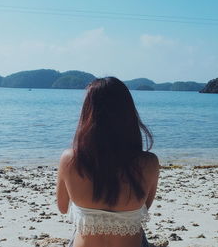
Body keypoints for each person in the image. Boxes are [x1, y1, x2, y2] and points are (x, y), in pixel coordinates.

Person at [56, 77, 159, 247]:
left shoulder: (71, 159)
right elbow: (145, 206)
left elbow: (62, 207)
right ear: (128, 114)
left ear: (88, 113)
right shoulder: (149, 163)